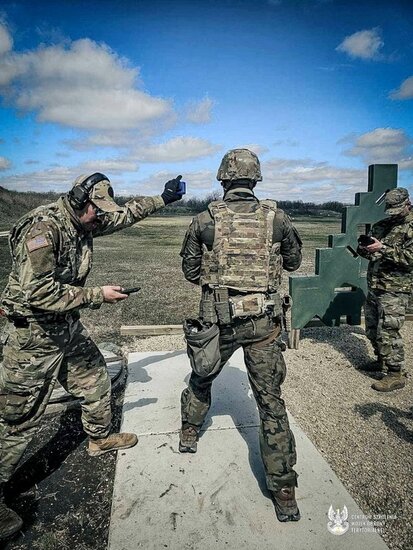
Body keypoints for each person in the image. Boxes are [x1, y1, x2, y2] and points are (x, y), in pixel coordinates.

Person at [0, 172, 185, 538]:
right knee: (17, 418)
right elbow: (39, 293)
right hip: (32, 337)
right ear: (79, 200)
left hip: (65, 328)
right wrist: (98, 294)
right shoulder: (44, 229)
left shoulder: (86, 219)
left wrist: (164, 199)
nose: (101, 217)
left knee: (95, 380)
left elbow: (125, 214)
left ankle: (99, 439)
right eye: (96, 211)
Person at [179, 149, 302, 522]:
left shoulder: (205, 219)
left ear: (223, 179)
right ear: (256, 179)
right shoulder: (277, 219)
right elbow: (294, 262)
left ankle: (189, 431)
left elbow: (190, 270)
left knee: (202, 376)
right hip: (263, 324)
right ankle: (284, 492)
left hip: (219, 320)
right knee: (270, 403)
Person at [357, 187, 413, 391]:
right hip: (375, 285)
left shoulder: (411, 227)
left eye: (397, 210)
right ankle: (381, 360)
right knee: (372, 328)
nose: (394, 214)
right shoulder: (382, 225)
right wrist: (365, 248)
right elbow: (371, 254)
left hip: (396, 289)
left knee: (389, 331)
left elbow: (410, 258)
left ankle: (396, 374)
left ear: (407, 204)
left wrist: (383, 248)